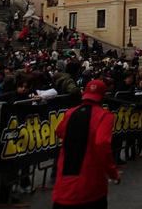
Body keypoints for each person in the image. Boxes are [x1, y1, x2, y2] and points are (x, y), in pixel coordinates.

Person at [53, 79, 120, 209]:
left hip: (64, 184)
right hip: (91, 185)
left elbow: (59, 131)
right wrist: (113, 173)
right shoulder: (104, 116)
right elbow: (102, 144)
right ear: (103, 97)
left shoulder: (70, 113)